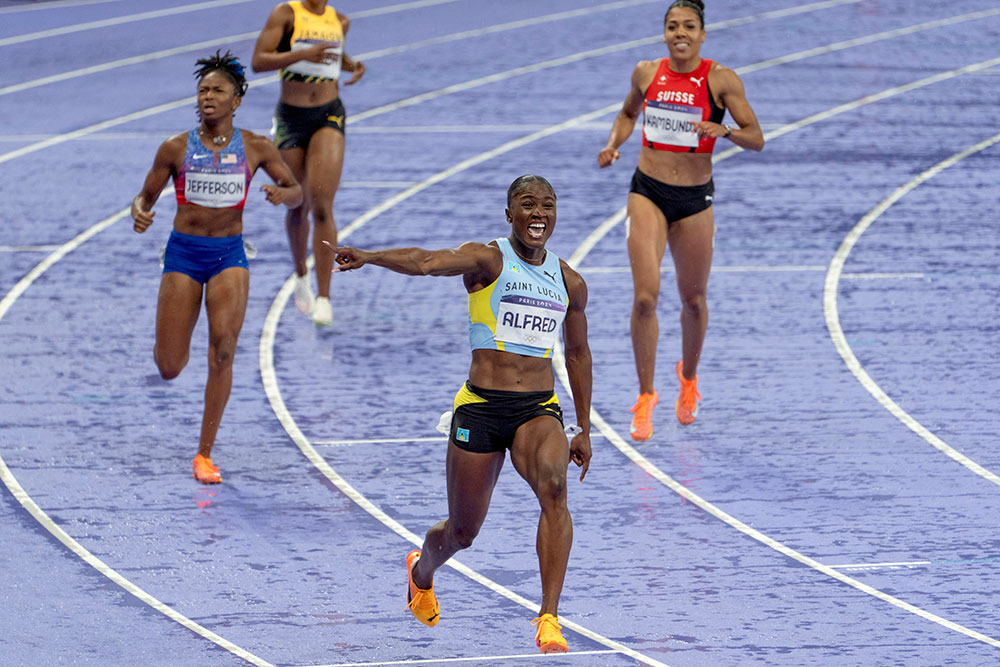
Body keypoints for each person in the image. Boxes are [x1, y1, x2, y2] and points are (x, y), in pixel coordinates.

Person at [331, 175, 593, 654]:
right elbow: (427, 262)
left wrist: (584, 429)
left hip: (538, 409)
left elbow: (577, 354)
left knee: (555, 490)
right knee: (462, 532)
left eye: (548, 206)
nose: (539, 214)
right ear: (509, 214)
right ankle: (421, 572)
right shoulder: (487, 260)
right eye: (528, 205)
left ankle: (549, 618)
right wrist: (370, 257)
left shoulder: (570, 282)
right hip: (482, 407)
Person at [131, 51, 302, 484]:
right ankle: (166, 346)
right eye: (203, 90)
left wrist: (287, 196)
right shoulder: (174, 148)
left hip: (229, 255)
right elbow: (143, 199)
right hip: (183, 255)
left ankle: (204, 453)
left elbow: (297, 190)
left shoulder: (257, 147)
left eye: (217, 90)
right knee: (170, 366)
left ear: (236, 100)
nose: (208, 97)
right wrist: (139, 213)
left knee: (224, 349)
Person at [597, 0, 764, 441]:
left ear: (703, 34)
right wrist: (614, 144)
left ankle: (688, 380)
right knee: (645, 299)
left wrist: (724, 131)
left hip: (694, 199)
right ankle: (645, 395)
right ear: (665, 33)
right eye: (672, 26)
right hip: (647, 191)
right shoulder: (646, 73)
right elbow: (628, 114)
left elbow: (757, 138)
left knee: (693, 300)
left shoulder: (720, 80)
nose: (680, 33)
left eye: (689, 25)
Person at [251, 0, 365, 326]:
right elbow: (259, 61)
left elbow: (331, 58)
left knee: (321, 205)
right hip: (290, 117)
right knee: (296, 202)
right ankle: (301, 273)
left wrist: (352, 64)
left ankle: (325, 296)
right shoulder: (286, 14)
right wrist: (300, 54)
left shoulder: (340, 21)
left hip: (328, 113)